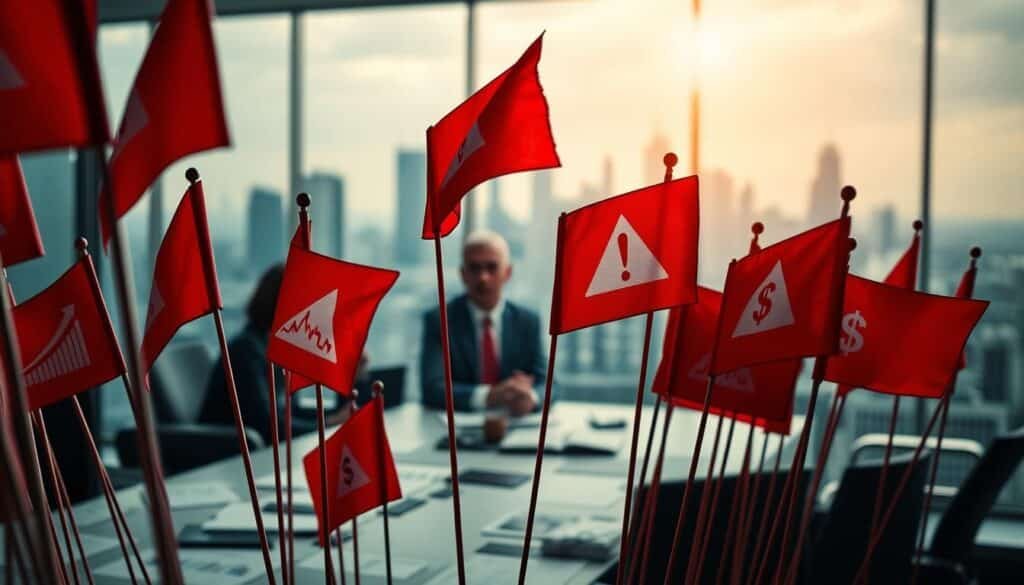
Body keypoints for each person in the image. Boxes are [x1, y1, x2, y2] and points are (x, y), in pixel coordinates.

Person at [200, 265, 349, 444]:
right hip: (231, 456)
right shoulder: (245, 352)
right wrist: (329, 423)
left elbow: (287, 414)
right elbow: (267, 425)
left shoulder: (277, 349)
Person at [420, 230, 550, 416]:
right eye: (474, 268)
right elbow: (432, 389)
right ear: (463, 274)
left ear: (507, 273)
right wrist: (490, 395)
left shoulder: (527, 321)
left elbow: (547, 383)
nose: (483, 278)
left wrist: (531, 397)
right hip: (456, 429)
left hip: (514, 426)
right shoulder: (439, 320)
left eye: (492, 267)